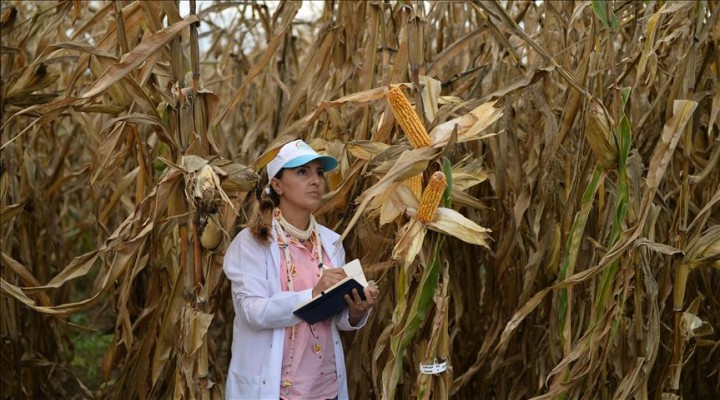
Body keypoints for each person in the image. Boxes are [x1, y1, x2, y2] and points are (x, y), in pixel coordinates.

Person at [223, 139, 379, 400]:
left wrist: (354, 310)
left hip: (325, 390)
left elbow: (333, 318)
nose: (316, 180)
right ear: (277, 185)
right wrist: (313, 294)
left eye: (319, 172)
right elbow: (251, 311)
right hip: (278, 391)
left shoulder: (331, 242)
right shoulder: (252, 242)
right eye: (302, 172)